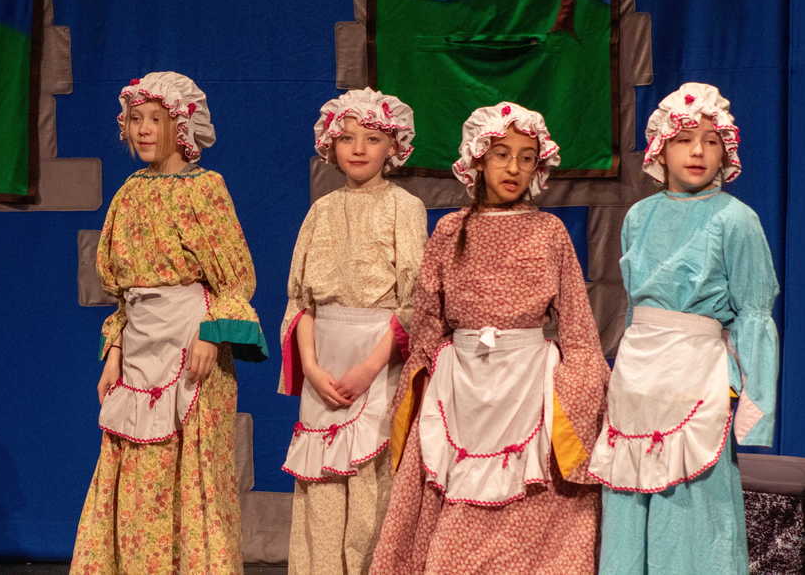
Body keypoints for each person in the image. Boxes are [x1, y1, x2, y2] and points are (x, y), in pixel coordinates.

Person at [371, 102, 609, 574]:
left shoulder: (549, 231)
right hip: (463, 387)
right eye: (502, 154)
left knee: (532, 500)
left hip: (527, 384)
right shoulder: (451, 230)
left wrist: (581, 386)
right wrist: (424, 381)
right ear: (478, 159)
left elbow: (578, 326)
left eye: (525, 157)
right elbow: (428, 322)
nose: (514, 168)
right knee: (456, 499)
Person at [70, 71, 267, 574]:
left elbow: (234, 276)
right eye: (136, 119)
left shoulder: (206, 188)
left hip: (191, 347)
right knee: (135, 477)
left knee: (192, 472)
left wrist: (209, 332)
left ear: (180, 126)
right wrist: (112, 355)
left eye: (155, 119)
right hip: (139, 351)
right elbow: (123, 295)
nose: (142, 130)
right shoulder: (129, 192)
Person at [587, 82, 780, 574]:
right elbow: (634, 307)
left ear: (726, 152)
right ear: (661, 148)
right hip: (638, 378)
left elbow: (754, 313)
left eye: (711, 140)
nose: (698, 151)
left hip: (697, 376)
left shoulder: (736, 220)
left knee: (694, 511)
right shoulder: (638, 217)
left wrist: (749, 398)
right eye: (684, 138)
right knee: (630, 506)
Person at [278, 88, 427, 574]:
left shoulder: (404, 207)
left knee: (371, 484)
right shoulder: (320, 211)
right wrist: (314, 369)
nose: (358, 148)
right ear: (330, 145)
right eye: (347, 138)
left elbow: (413, 303)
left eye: (372, 138)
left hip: (377, 362)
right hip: (325, 361)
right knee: (320, 488)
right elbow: (302, 303)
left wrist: (368, 367)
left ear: (393, 146)